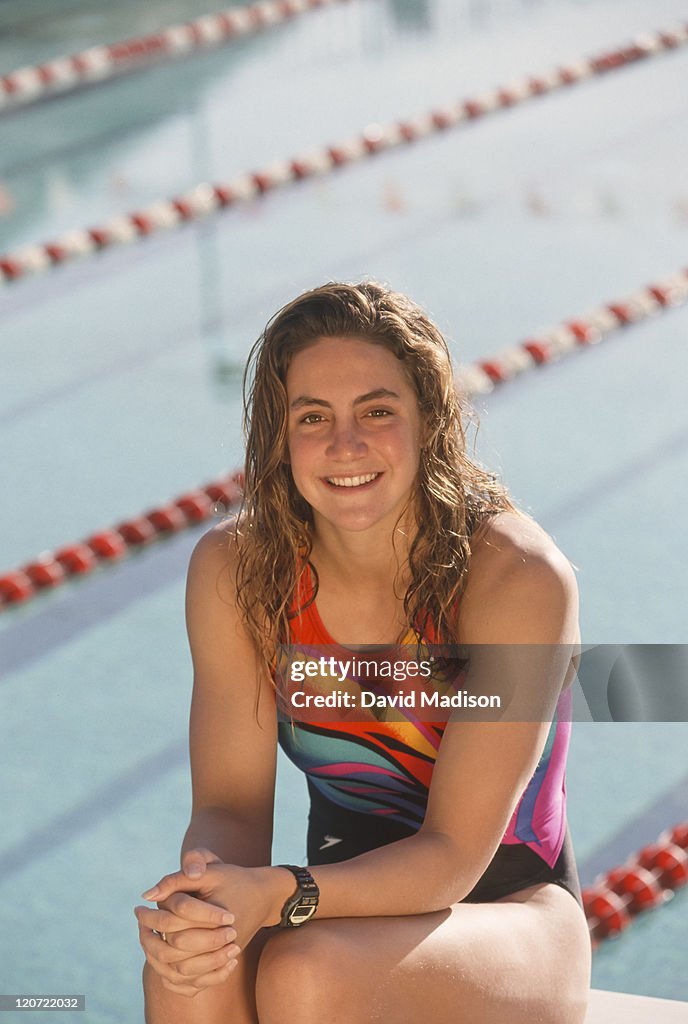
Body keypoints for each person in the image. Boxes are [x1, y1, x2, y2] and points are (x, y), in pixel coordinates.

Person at [135, 281, 592, 1023]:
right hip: (328, 905)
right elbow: (229, 807)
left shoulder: (514, 577)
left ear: (430, 420)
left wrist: (283, 894)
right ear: (279, 436)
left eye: (377, 411)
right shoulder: (241, 571)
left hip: (510, 916)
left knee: (307, 972)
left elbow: (451, 854)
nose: (345, 446)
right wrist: (204, 897)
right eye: (313, 417)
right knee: (191, 971)